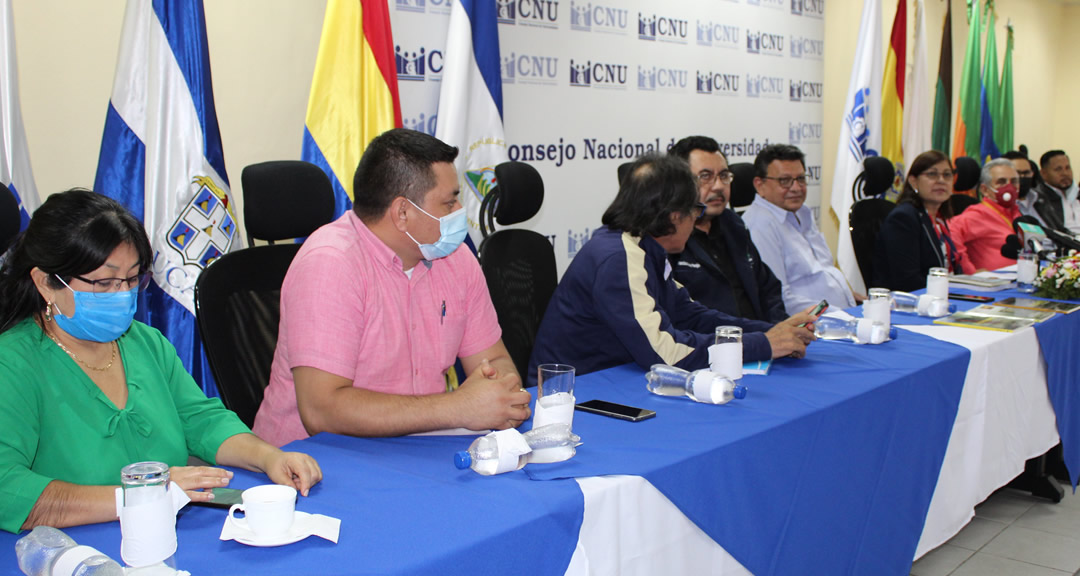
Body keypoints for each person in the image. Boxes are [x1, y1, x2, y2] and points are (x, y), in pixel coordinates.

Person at [0, 190, 321, 534]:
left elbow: (203, 420)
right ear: (46, 283)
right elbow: (8, 489)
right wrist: (142, 498)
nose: (122, 294)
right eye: (104, 282)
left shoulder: (144, 342)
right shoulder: (13, 363)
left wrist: (268, 457)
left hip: (169, 533)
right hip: (73, 553)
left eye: (132, 279)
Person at [253, 129, 528, 447]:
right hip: (315, 466)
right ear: (402, 213)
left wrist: (498, 391)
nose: (459, 214)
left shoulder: (456, 257)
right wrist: (457, 407)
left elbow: (495, 361)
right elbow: (321, 411)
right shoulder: (330, 264)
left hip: (419, 451)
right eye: (449, 202)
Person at [527, 154, 817, 384]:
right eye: (695, 212)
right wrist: (763, 344)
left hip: (621, 377)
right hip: (582, 396)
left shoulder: (644, 247)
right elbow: (667, 353)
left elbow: (689, 314)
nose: (695, 222)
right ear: (674, 215)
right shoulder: (618, 258)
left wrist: (772, 331)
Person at [667, 136, 786, 323]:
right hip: (716, 345)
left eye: (724, 176)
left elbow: (768, 289)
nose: (719, 186)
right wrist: (764, 336)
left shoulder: (734, 224)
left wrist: (781, 329)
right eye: (705, 177)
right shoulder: (669, 236)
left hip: (764, 342)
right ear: (680, 183)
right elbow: (686, 318)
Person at [741, 144, 860, 314]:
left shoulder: (802, 212)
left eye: (801, 179)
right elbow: (779, 298)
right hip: (811, 326)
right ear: (760, 185)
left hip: (840, 314)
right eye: (785, 181)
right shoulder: (760, 225)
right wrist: (839, 315)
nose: (796, 188)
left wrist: (849, 297)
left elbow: (823, 271)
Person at [873, 151, 975, 291]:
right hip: (912, 303)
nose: (941, 180)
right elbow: (907, 280)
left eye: (947, 175)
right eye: (932, 174)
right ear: (913, 181)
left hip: (941, 295)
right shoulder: (903, 218)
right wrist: (953, 287)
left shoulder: (938, 218)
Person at [950, 158, 1023, 271]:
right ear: (984, 190)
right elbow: (950, 232)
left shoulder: (1018, 214)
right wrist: (969, 271)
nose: (1009, 187)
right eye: (1001, 182)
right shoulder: (977, 214)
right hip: (993, 283)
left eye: (1014, 182)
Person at [1030, 150, 1080, 235]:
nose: (1065, 173)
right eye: (1058, 169)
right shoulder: (1038, 200)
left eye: (1067, 168)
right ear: (1043, 173)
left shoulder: (1077, 194)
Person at [1003, 149, 1046, 228]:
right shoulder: (1001, 206)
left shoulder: (1042, 199)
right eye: (1017, 173)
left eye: (1026, 173)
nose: (1022, 177)